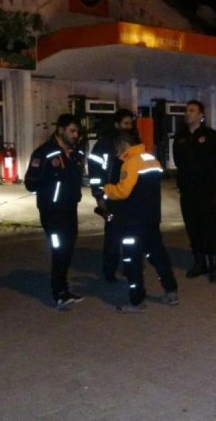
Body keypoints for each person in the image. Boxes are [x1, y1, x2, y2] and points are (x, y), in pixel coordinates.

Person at [103, 131, 179, 313]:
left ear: (124, 144)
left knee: (132, 261)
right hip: (151, 219)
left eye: (118, 148)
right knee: (158, 256)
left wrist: (107, 189)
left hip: (132, 222)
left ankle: (136, 302)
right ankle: (171, 292)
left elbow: (123, 191)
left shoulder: (131, 162)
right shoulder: (151, 159)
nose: (117, 152)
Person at [24, 113, 86, 309]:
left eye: (77, 132)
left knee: (67, 250)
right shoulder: (45, 153)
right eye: (72, 131)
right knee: (59, 250)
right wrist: (51, 186)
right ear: (60, 130)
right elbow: (30, 183)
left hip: (70, 209)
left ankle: (64, 289)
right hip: (52, 211)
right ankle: (58, 293)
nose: (76, 135)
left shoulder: (75, 153)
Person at [172, 99, 216, 283]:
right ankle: (199, 262)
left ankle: (214, 265)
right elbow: (178, 161)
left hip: (206, 189)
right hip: (188, 190)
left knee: (210, 227)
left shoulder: (210, 135)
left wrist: (207, 175)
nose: (187, 113)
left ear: (201, 115)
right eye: (186, 110)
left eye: (192, 110)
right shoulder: (180, 137)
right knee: (193, 226)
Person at [87, 108, 136, 283]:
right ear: (116, 124)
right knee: (113, 238)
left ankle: (131, 268)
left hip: (130, 198)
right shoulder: (103, 146)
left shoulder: (135, 143)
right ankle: (110, 271)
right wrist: (98, 195)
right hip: (111, 198)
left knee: (131, 238)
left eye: (130, 124)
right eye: (125, 123)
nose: (128, 127)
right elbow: (95, 173)